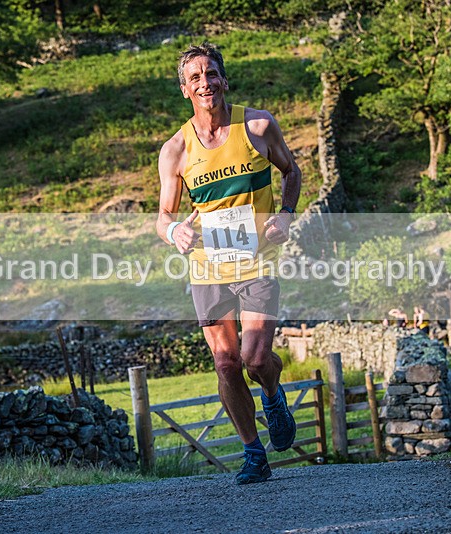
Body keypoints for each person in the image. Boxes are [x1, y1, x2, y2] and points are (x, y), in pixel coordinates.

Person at [155, 43, 302, 485]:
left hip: (257, 260)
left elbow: (291, 172)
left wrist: (287, 214)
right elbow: (163, 215)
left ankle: (273, 395)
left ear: (224, 78)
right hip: (207, 266)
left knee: (255, 359)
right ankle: (253, 453)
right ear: (185, 89)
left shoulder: (257, 125)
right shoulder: (175, 150)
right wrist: (174, 231)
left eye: (212, 73)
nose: (206, 83)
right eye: (196, 77)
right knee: (225, 363)